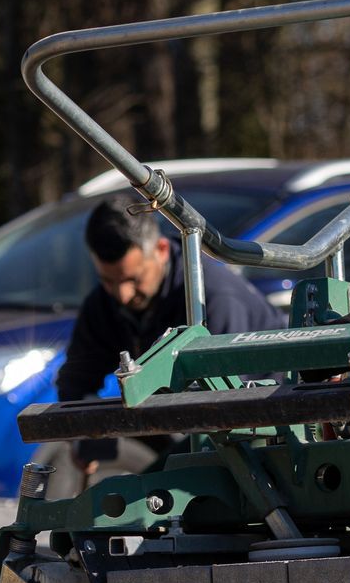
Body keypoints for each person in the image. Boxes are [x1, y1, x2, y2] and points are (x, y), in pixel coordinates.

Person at [42, 194, 282, 495]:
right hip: (184, 421)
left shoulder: (211, 298)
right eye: (108, 281)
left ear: (161, 250)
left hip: (264, 422)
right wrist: (83, 435)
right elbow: (77, 378)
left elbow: (227, 402)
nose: (123, 295)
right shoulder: (104, 305)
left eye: (133, 279)